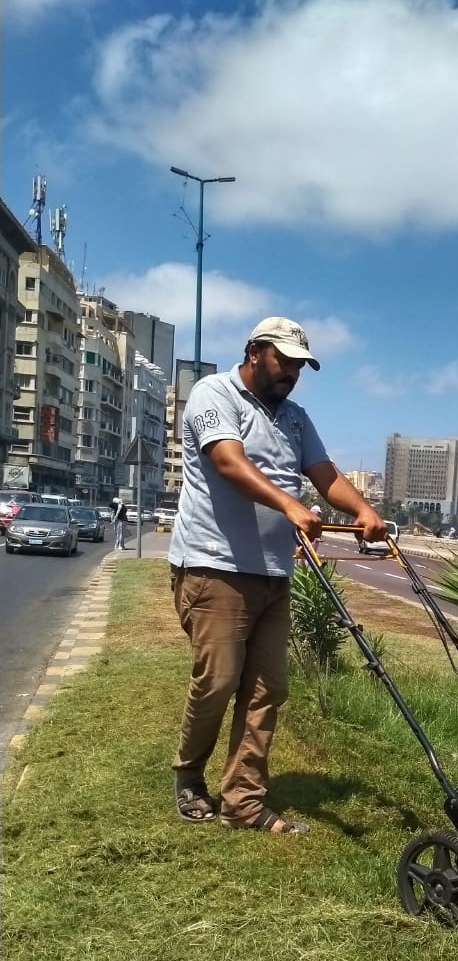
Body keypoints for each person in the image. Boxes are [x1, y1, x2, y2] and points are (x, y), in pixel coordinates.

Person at [169, 317, 385, 835]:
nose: (291, 372)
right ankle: (190, 776)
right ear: (253, 351)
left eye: (298, 365)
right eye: (283, 360)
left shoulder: (296, 418)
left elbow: (326, 474)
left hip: (273, 573)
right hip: (213, 565)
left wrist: (364, 512)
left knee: (268, 689)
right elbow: (227, 461)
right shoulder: (212, 394)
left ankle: (243, 802)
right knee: (219, 680)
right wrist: (289, 504)